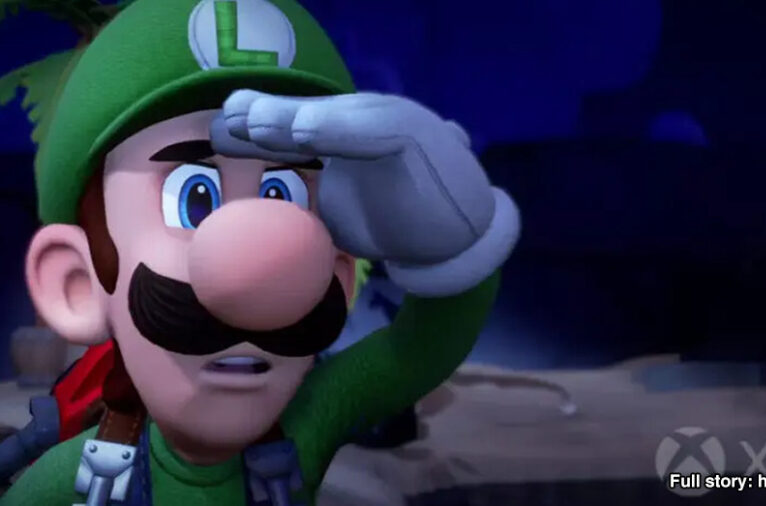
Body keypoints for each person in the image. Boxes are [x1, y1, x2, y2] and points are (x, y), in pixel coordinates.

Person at [0, 0, 519, 504]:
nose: (255, 270)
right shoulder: (77, 481)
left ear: (338, 278)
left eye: (282, 194)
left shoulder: (303, 432)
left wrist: (454, 240)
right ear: (76, 282)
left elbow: (423, 347)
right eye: (195, 198)